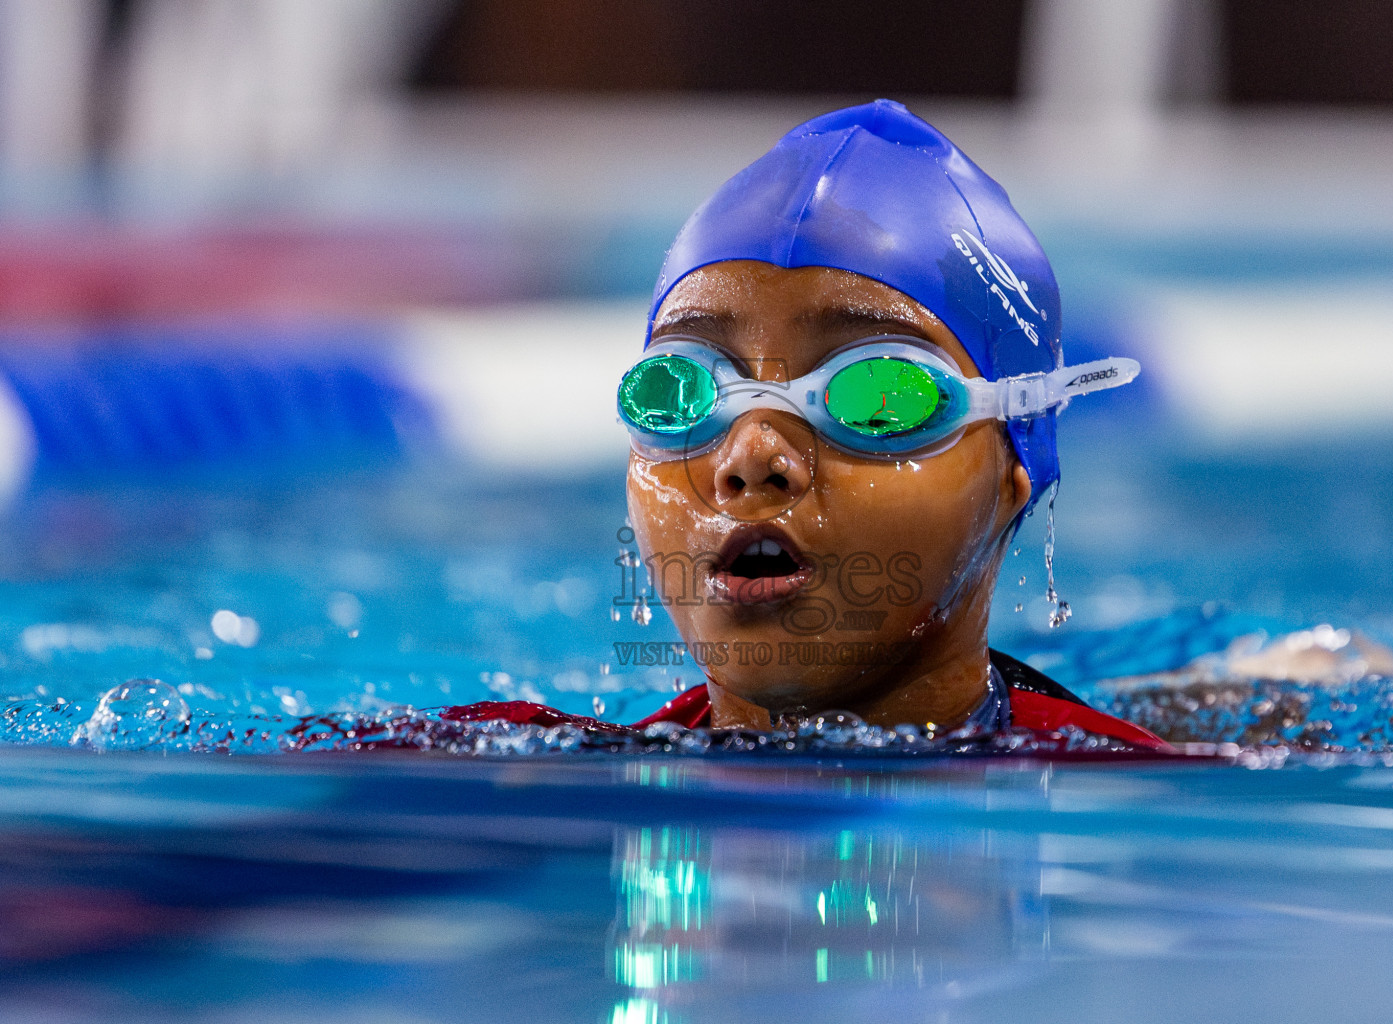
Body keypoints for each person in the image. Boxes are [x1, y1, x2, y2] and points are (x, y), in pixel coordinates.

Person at [445, 99, 1168, 752]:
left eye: (879, 394)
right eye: (683, 389)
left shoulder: (1133, 793)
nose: (751, 455)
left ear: (1013, 476)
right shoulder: (510, 766)